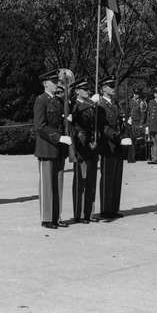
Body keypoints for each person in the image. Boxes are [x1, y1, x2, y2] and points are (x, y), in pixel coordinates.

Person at [33, 70, 72, 229]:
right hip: (47, 147)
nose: (57, 84)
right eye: (54, 82)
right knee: (47, 185)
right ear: (45, 84)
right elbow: (40, 127)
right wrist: (58, 137)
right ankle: (47, 218)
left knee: (58, 183)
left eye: (58, 81)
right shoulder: (41, 101)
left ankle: (56, 216)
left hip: (58, 148)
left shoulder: (58, 101)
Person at [70, 78, 99, 224]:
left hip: (92, 145)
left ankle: (89, 212)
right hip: (81, 144)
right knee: (81, 180)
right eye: (84, 89)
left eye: (88, 89)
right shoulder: (74, 105)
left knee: (91, 181)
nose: (88, 91)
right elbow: (76, 117)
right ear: (76, 91)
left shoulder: (91, 105)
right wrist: (91, 104)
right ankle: (80, 213)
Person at [97, 78, 124, 219]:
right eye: (110, 86)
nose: (114, 88)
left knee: (116, 179)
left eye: (114, 86)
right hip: (108, 146)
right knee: (108, 179)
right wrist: (118, 138)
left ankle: (113, 208)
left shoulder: (114, 104)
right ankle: (106, 209)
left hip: (117, 146)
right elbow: (105, 128)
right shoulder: (101, 105)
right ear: (103, 89)